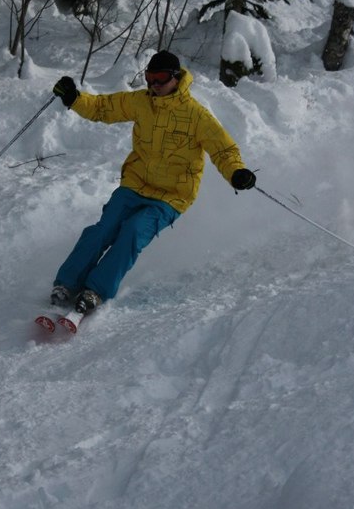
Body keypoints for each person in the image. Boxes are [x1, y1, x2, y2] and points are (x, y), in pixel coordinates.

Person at [50, 50, 256, 315]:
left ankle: (96, 290)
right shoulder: (141, 101)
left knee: (133, 231)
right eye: (150, 77)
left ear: (176, 77)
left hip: (171, 195)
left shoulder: (196, 116)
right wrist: (74, 98)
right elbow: (103, 108)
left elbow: (223, 150)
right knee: (103, 230)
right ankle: (67, 283)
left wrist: (237, 172)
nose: (154, 85)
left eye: (160, 78)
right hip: (135, 184)